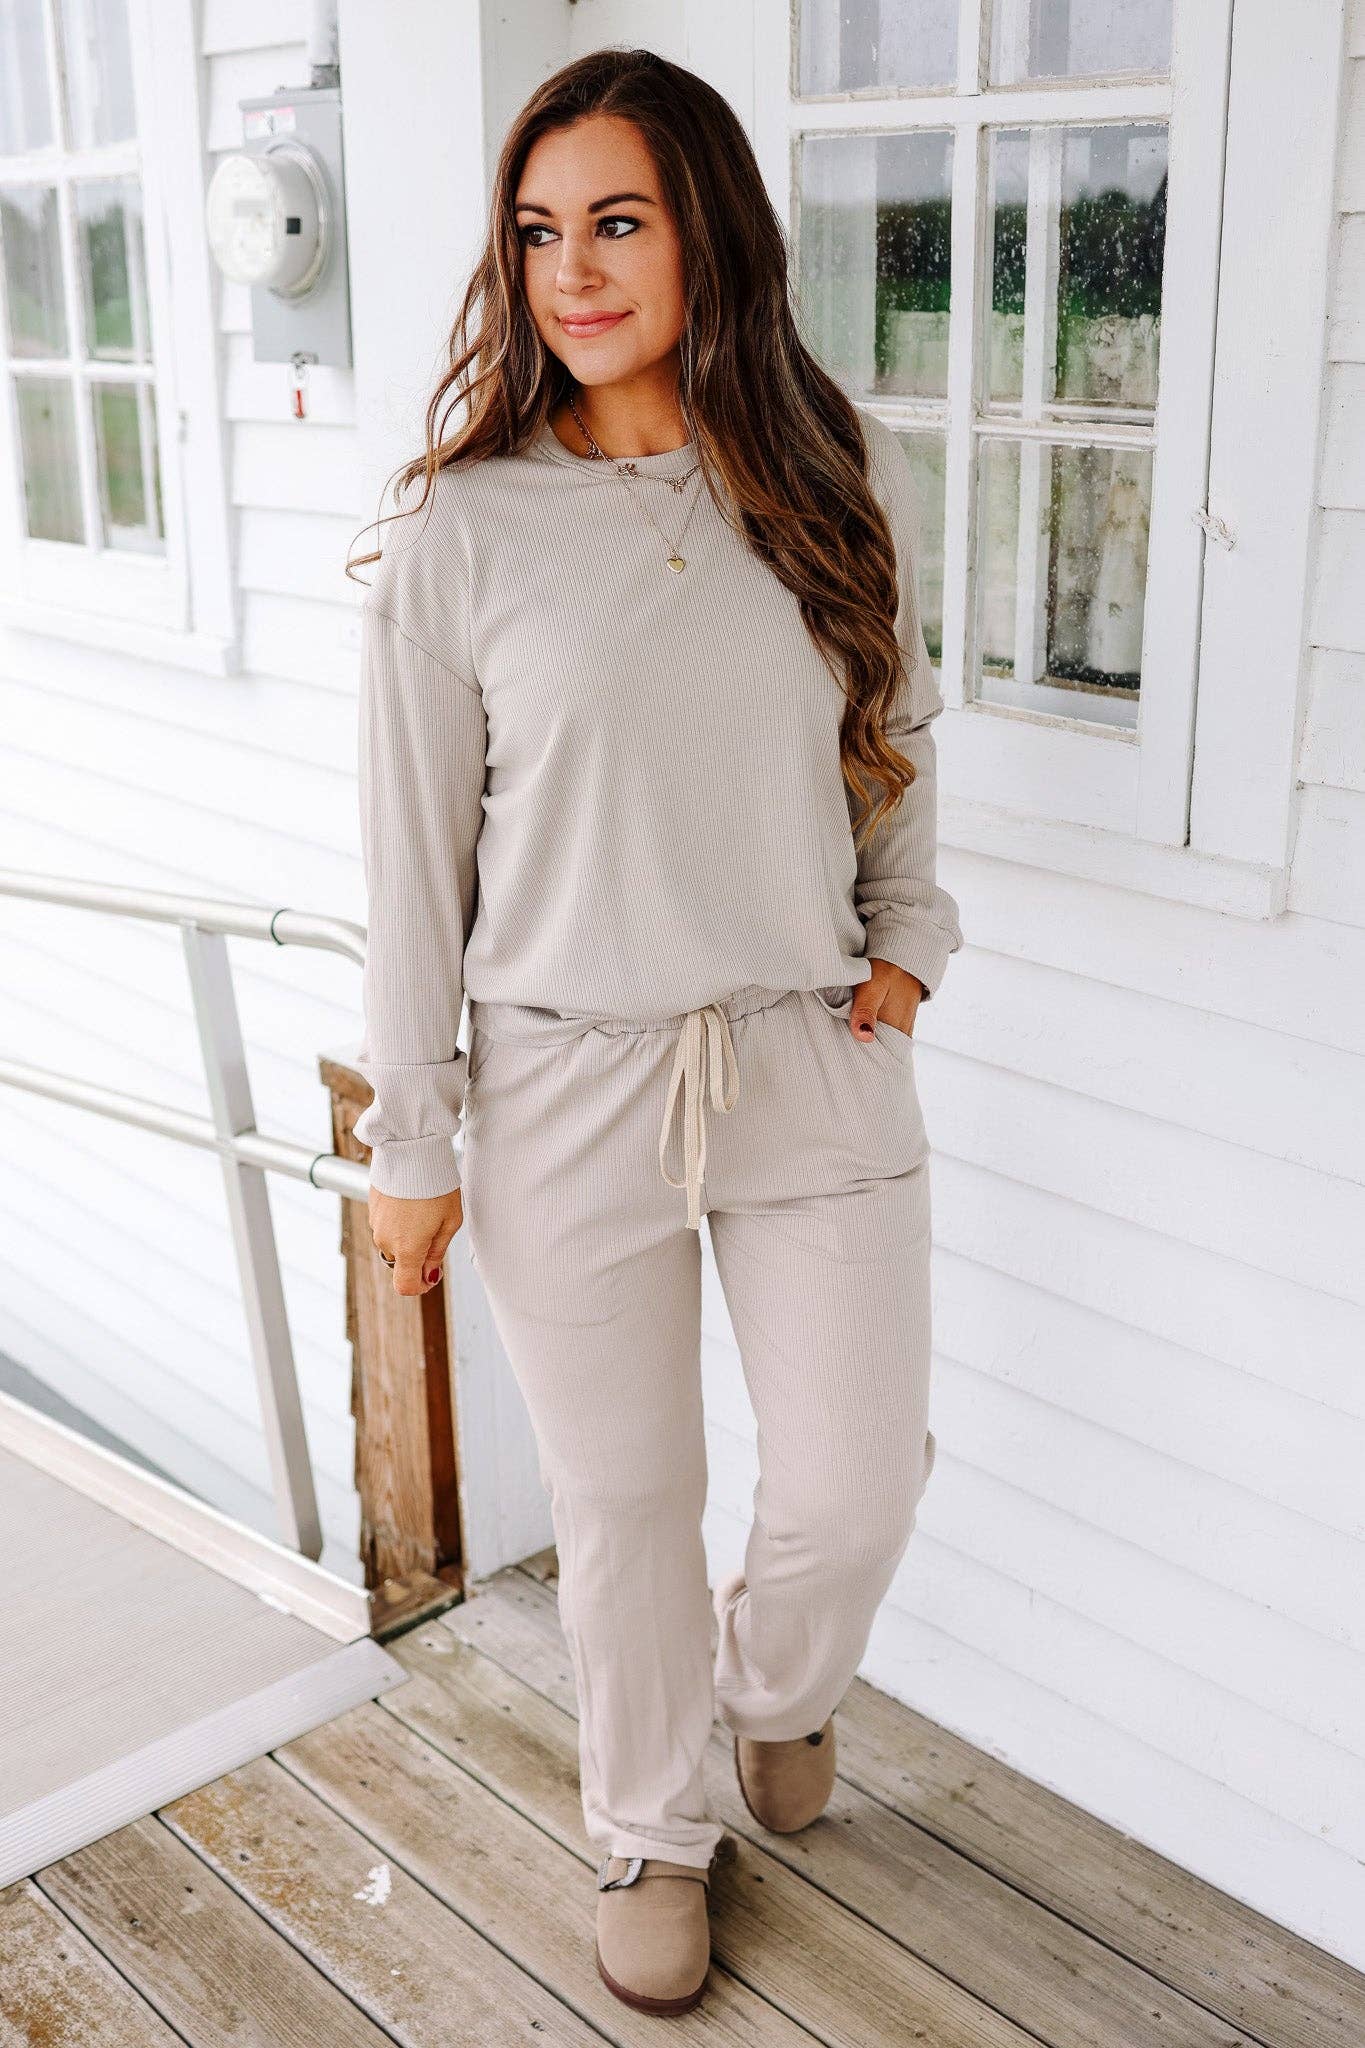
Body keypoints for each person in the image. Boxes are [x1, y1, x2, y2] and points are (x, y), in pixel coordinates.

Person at [348, 45, 963, 2018]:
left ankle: (774, 1690)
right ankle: (649, 1822)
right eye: (538, 232)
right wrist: (414, 1143)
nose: (573, 272)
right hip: (560, 1077)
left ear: (709, 230)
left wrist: (905, 937)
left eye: (616, 221)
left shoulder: (834, 470)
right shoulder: (462, 531)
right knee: (622, 1506)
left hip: (803, 1045)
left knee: (853, 1483)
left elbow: (891, 733)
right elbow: (410, 866)